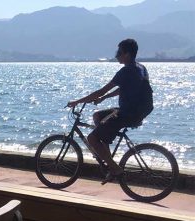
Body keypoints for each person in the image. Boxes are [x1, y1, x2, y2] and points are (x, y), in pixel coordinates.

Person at [66, 38, 153, 181]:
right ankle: (107, 154)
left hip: (128, 113)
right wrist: (105, 98)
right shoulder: (141, 68)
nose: (116, 55)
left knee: (92, 138)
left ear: (127, 54)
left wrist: (77, 101)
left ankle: (115, 168)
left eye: (119, 52)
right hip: (137, 110)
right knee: (98, 116)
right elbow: (124, 88)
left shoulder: (125, 71)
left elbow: (100, 91)